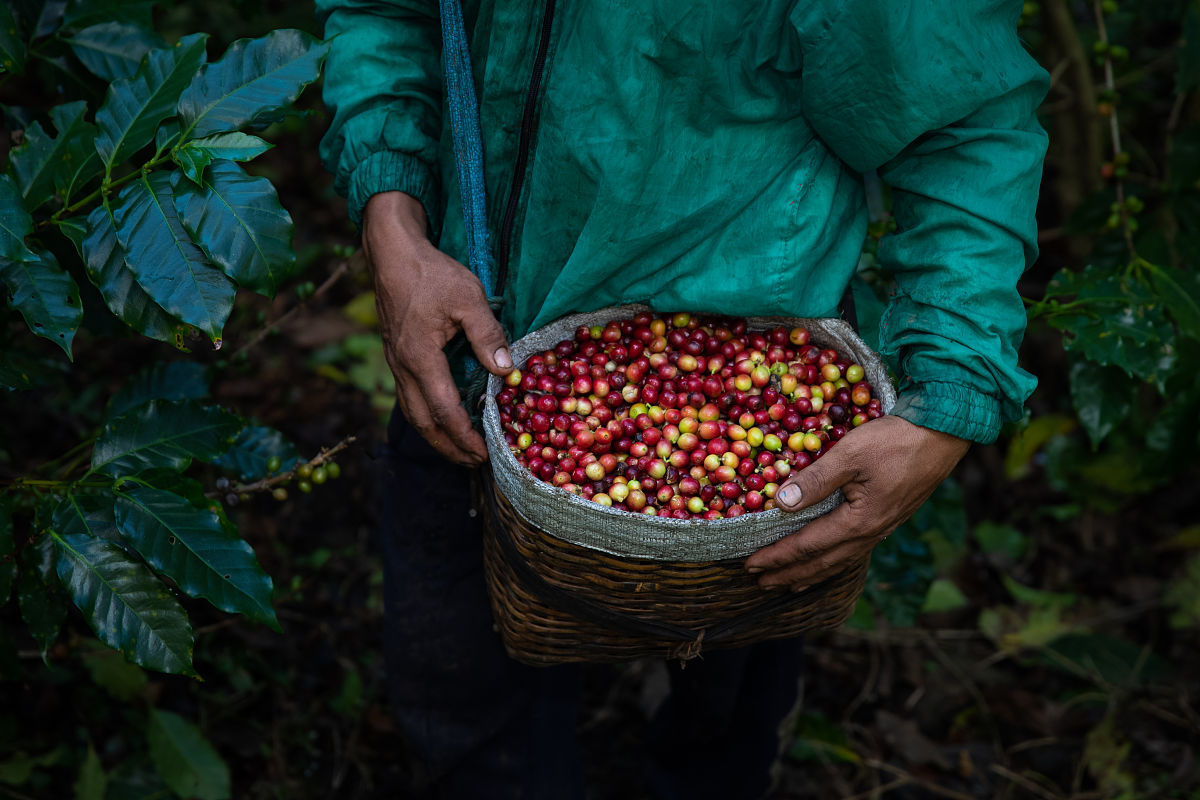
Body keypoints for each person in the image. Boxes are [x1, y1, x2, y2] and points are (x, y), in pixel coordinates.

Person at [316, 1, 1048, 797]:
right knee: (466, 707)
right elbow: (384, 10)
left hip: (757, 405)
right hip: (462, 358)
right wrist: (394, 220)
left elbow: (962, 124)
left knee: (725, 720)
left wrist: (950, 393)